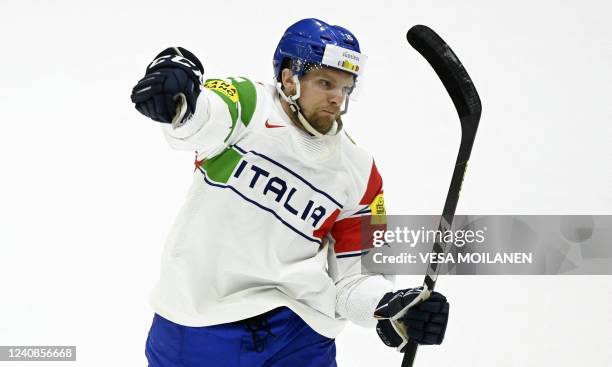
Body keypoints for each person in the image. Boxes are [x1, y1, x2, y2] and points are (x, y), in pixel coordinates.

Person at [130, 18, 450, 367]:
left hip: (298, 333)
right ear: (288, 77)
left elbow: (356, 278)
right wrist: (179, 100)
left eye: (345, 88)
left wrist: (393, 304)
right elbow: (201, 117)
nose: (336, 98)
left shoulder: (361, 173)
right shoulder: (249, 105)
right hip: (197, 323)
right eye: (325, 82)